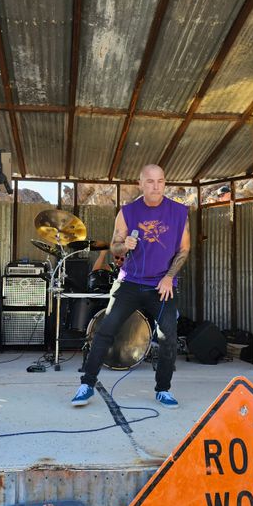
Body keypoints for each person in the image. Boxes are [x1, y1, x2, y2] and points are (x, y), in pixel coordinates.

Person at [72, 164, 190, 409]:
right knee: (105, 330)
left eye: (160, 181)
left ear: (165, 183)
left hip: (161, 284)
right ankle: (87, 384)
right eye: (150, 181)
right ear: (140, 184)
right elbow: (114, 247)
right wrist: (124, 245)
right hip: (130, 282)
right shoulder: (127, 212)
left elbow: (184, 249)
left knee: (168, 336)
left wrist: (169, 277)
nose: (155, 186)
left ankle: (163, 389)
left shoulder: (179, 212)